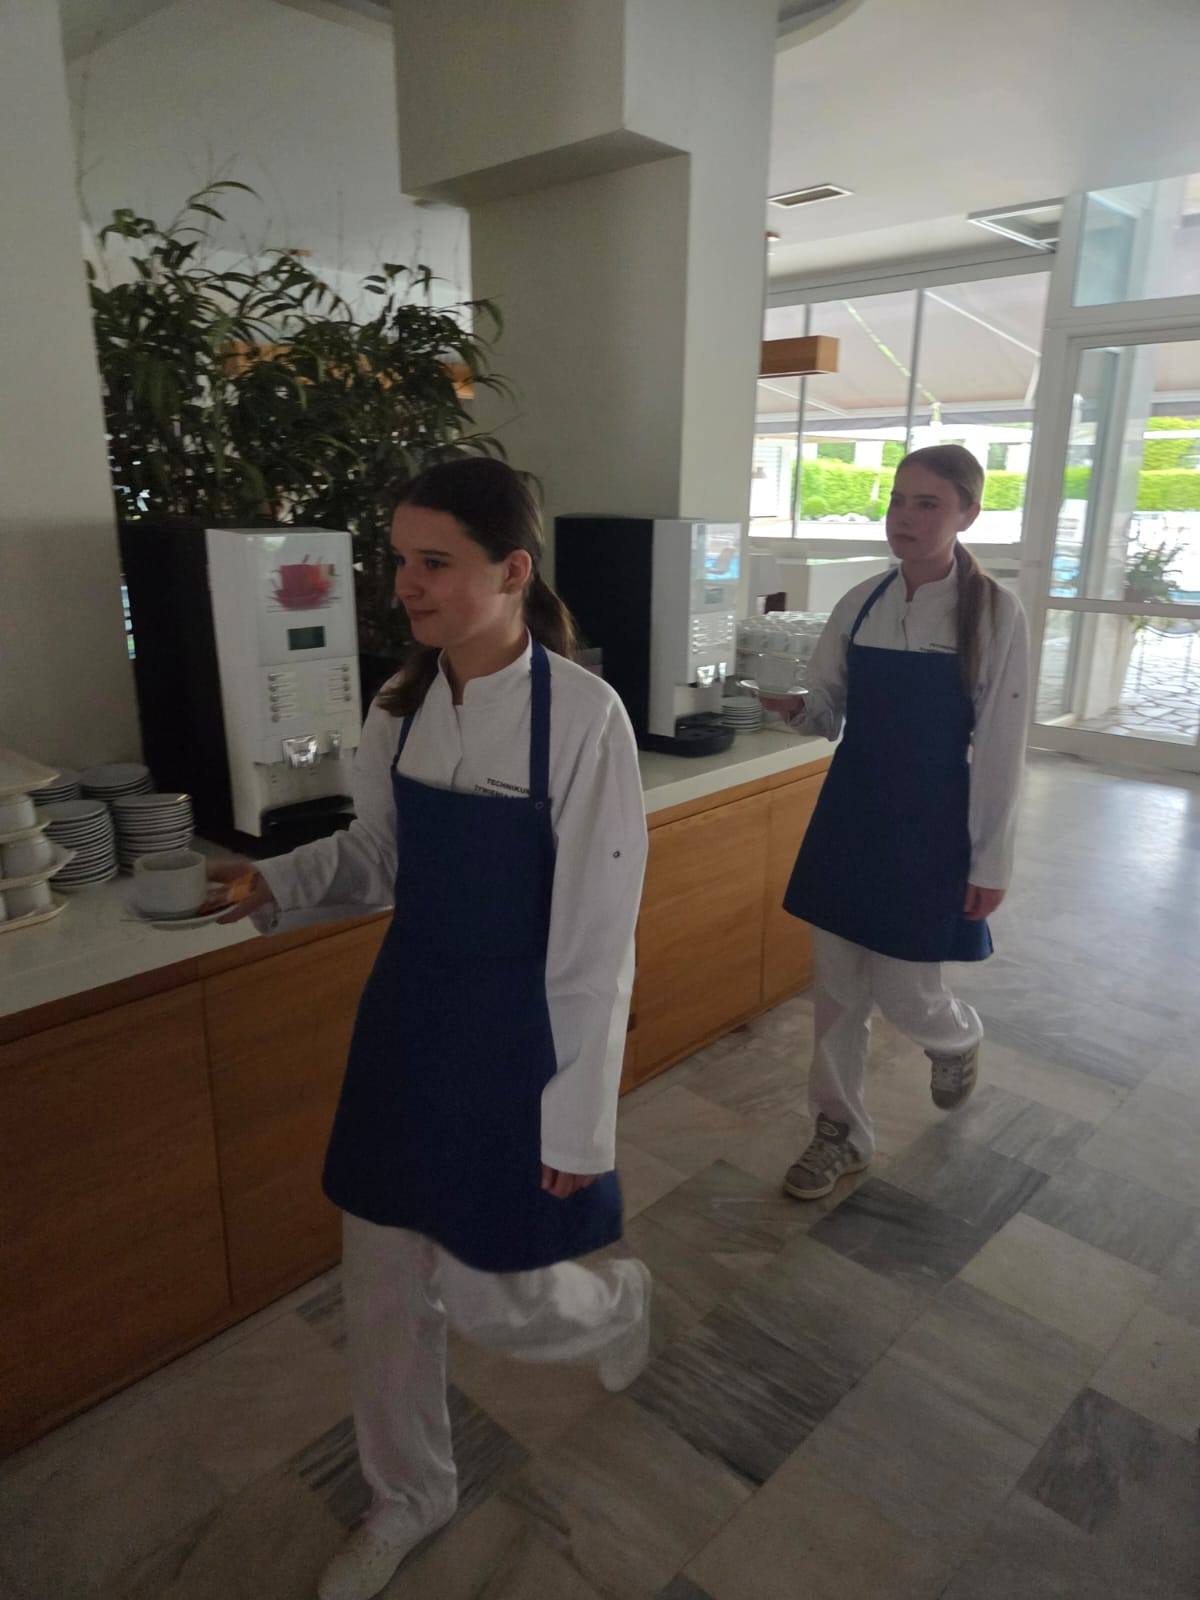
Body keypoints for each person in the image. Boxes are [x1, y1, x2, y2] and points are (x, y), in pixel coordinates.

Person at [212, 458, 651, 1600]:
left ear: (511, 571)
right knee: (383, 1285)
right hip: (408, 1023)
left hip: (516, 1038)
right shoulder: (399, 708)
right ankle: (409, 1494)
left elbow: (596, 941)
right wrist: (274, 882)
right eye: (400, 559)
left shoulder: (584, 719)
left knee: (493, 1285)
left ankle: (612, 1305)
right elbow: (377, 859)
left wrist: (578, 1121)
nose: (404, 584)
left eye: (434, 562)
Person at [760, 444, 1029, 1202]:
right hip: (852, 813)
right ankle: (838, 1130)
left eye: (927, 504)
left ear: (967, 514)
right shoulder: (861, 603)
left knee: (907, 985)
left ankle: (955, 1037)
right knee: (838, 987)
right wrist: (796, 710)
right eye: (897, 500)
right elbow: (827, 712)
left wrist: (991, 861)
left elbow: (1002, 745)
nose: (904, 518)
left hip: (933, 821)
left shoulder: (995, 613)